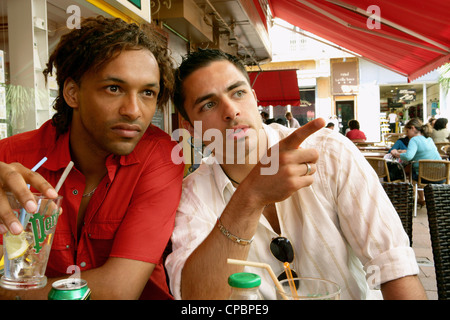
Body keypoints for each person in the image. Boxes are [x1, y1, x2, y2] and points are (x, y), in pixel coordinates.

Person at [165, 49, 426, 300]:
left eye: (238, 92)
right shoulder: (192, 194)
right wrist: (251, 195)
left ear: (255, 99)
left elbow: (393, 267)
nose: (231, 111)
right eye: (209, 104)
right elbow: (197, 297)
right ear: (190, 127)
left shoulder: (328, 152)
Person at [0, 16, 184, 300]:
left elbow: (118, 290)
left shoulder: (160, 156)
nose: (134, 110)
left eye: (148, 92)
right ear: (73, 93)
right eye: (114, 88)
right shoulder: (11, 158)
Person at [400, 118, 442, 206]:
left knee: (411, 171)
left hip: (424, 177)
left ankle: (415, 200)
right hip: (441, 175)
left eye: (407, 131)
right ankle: (423, 199)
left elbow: (408, 157)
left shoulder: (414, 140)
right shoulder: (429, 139)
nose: (406, 134)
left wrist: (398, 154)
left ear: (413, 128)